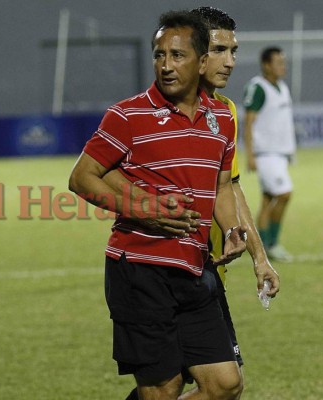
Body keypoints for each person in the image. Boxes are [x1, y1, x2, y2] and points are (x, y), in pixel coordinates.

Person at [69, 10, 247, 400]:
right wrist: (143, 210)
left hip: (195, 268)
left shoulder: (222, 119)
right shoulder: (128, 115)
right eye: (159, 54)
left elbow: (220, 186)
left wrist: (233, 230)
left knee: (225, 385)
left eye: (177, 56)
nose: (166, 66)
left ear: (201, 62)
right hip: (139, 271)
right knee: (163, 389)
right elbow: (81, 178)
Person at [119, 7, 280, 400]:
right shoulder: (149, 112)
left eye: (234, 50)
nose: (230, 61)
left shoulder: (223, 113)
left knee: (215, 385)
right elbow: (95, 177)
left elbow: (231, 188)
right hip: (160, 271)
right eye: (220, 49)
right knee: (186, 385)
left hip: (207, 269)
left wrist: (259, 257)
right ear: (198, 53)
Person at [243, 46, 296, 262]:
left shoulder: (282, 87)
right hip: (265, 154)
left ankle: (263, 247)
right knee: (284, 194)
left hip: (279, 155)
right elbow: (249, 123)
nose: (283, 66)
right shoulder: (258, 88)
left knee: (268, 200)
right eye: (278, 62)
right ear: (266, 65)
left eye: (284, 62)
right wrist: (250, 155)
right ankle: (271, 244)